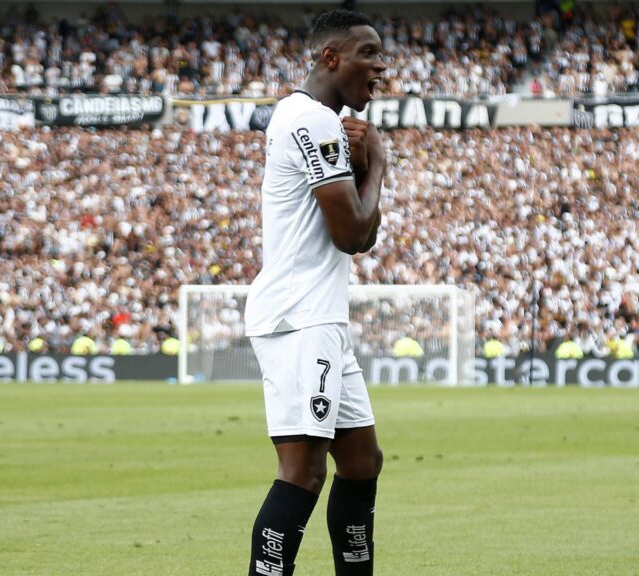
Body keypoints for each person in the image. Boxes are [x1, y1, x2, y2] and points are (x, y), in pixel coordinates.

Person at [242, 9, 387, 576]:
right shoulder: (312, 119)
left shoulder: (309, 117)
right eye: (369, 54)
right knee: (302, 471)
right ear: (332, 57)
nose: (382, 67)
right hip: (301, 317)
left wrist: (361, 170)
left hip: (320, 317)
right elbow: (352, 235)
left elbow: (359, 233)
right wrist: (377, 166)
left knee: (361, 461)